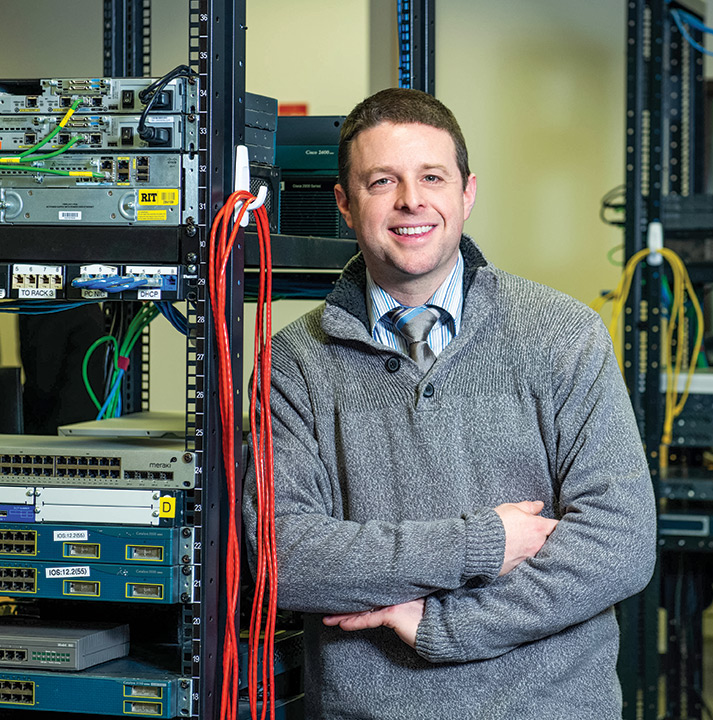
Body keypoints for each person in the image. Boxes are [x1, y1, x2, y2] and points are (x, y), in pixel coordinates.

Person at [243, 87, 656, 719]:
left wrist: (444, 623)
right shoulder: (292, 362)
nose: (412, 201)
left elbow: (619, 543)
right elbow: (285, 557)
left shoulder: (561, 334)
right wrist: (483, 543)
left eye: (432, 177)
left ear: (466, 194)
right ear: (345, 205)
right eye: (382, 181)